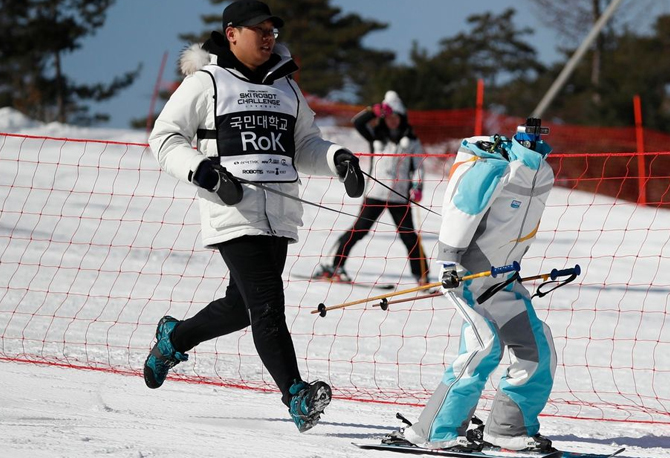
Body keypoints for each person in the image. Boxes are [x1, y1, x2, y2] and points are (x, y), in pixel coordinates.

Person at [145, 0, 363, 433]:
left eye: (272, 31)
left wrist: (339, 160)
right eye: (258, 30)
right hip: (232, 213)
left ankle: (175, 338)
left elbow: (305, 147)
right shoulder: (206, 82)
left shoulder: (288, 87)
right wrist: (205, 173)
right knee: (268, 307)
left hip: (279, 217)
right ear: (231, 34)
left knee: (241, 307)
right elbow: (164, 137)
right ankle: (297, 395)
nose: (268, 37)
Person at [390, 122, 558, 452]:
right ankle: (432, 432)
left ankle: (508, 429)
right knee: (485, 347)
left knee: (538, 350)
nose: (537, 145)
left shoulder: (542, 172)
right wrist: (449, 262)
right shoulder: (498, 167)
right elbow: (463, 210)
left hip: (505, 278)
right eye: (531, 141)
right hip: (468, 277)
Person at [313, 91, 429, 285]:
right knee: (359, 230)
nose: (392, 121)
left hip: (399, 197)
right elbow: (358, 122)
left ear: (402, 118)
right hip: (375, 193)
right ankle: (334, 266)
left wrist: (418, 187)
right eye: (388, 117)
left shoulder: (412, 141)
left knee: (409, 237)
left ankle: (423, 277)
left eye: (395, 117)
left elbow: (418, 167)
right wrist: (372, 112)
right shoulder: (376, 135)